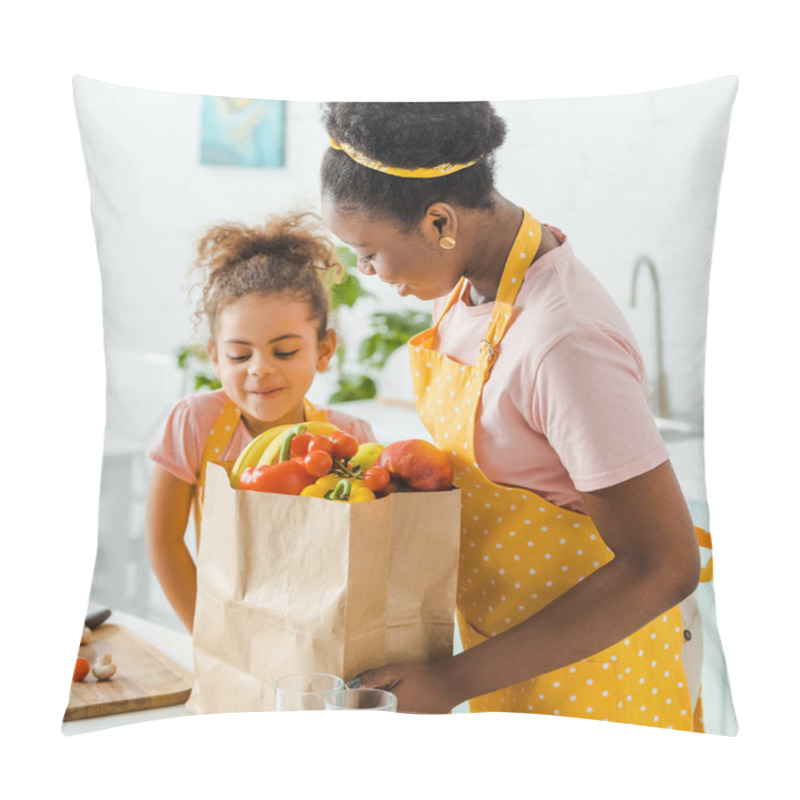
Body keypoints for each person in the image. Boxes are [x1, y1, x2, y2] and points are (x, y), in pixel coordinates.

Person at [320, 102, 710, 731]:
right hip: (507, 660)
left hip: (593, 692)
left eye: (368, 253)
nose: (366, 274)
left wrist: (450, 681)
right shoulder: (477, 284)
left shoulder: (565, 340)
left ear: (440, 221)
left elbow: (665, 565)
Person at [145, 211, 376, 633]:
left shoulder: (351, 437)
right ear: (215, 357)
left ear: (324, 349)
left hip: (320, 634)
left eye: (284, 351)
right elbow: (163, 541)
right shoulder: (194, 422)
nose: (260, 369)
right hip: (227, 631)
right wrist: (210, 635)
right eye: (239, 355)